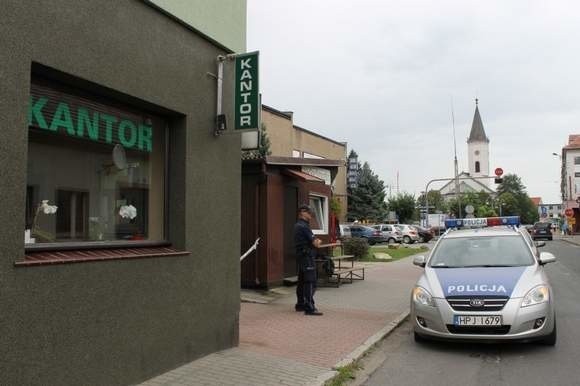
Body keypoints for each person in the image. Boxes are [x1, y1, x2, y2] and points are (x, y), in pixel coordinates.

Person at [294, 204, 323, 316]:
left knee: (302, 282)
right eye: (309, 212)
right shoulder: (303, 226)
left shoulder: (298, 225)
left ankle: (300, 305)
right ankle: (309, 308)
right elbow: (315, 242)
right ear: (302, 213)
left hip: (302, 257)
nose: (311, 214)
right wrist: (318, 241)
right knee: (310, 282)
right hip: (306, 257)